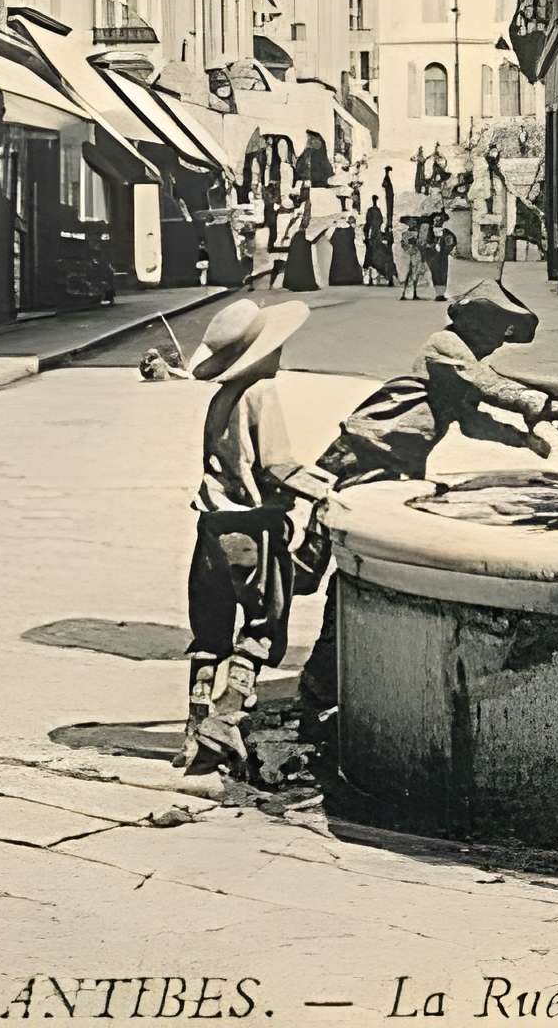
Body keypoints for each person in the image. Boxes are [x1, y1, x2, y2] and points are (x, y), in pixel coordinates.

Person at [292, 282, 555, 736]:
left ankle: (322, 681)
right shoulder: (446, 347)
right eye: (497, 333)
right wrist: (535, 402)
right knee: (319, 563)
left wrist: (522, 440)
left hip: (395, 464)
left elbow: (473, 422)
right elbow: (483, 385)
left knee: (348, 571)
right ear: (478, 324)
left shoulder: (463, 363)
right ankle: (275, 652)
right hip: (363, 457)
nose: (497, 344)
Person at [182, 294, 313, 774]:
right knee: (260, 624)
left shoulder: (221, 398)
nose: (281, 353)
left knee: (210, 629)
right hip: (250, 527)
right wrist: (321, 489)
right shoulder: (261, 393)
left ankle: (195, 727)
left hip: (211, 525)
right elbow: (278, 466)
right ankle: (230, 714)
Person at [362, 197, 394, 286]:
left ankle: (372, 279)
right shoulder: (377, 212)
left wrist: (366, 238)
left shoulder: (371, 213)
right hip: (377, 238)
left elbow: (367, 226)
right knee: (382, 257)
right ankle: (387, 277)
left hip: (373, 239)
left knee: (371, 258)